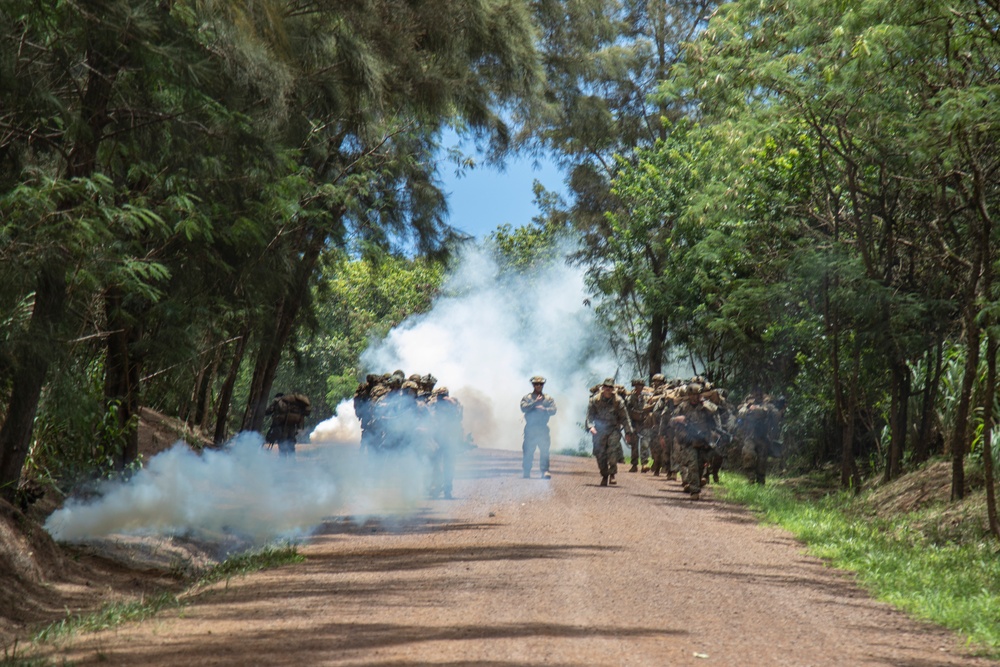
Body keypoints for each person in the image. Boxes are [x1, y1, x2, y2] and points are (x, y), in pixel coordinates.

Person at [670, 383, 721, 500]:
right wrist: (678, 419)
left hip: (704, 439)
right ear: (688, 395)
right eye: (692, 395)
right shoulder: (683, 407)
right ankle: (694, 491)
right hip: (689, 440)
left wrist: (705, 404)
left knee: (701, 464)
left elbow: (715, 414)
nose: (694, 397)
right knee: (693, 464)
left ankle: (696, 483)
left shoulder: (706, 406)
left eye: (697, 395)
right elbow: (671, 422)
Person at [586, 377, 634, 487]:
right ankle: (604, 475)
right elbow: (589, 416)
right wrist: (590, 427)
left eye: (610, 387)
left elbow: (625, 418)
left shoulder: (618, 401)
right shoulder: (595, 400)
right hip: (599, 430)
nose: (608, 389)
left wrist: (628, 432)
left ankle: (612, 473)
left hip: (613, 429)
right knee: (600, 454)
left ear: (613, 389)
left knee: (612, 451)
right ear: (603, 388)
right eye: (606, 387)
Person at [428, 386, 464, 498]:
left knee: (444, 464)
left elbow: (458, 418)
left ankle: (445, 488)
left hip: (446, 438)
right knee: (438, 464)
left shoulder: (452, 403)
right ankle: (440, 487)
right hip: (438, 438)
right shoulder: (434, 404)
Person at [520, 376, 558, 479]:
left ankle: (545, 471)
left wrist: (545, 409)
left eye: (541, 384)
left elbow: (554, 410)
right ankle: (527, 470)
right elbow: (523, 408)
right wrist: (534, 403)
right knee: (528, 450)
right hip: (530, 428)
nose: (538, 386)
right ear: (533, 385)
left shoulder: (548, 399)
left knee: (544, 450)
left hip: (543, 428)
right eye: (536, 384)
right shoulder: (527, 398)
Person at [265, 392, 312, 457]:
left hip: (281, 426)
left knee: (282, 442)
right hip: (292, 426)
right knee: (291, 442)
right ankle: (292, 461)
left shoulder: (277, 401)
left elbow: (268, 411)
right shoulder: (293, 403)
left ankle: (283, 461)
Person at [624, 377, 653, 472]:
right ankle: (634, 464)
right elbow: (627, 413)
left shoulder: (648, 397)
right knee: (634, 445)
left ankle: (644, 463)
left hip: (645, 423)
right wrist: (629, 427)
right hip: (634, 423)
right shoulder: (630, 398)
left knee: (645, 444)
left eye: (641, 385)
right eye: (637, 385)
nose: (639, 387)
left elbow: (650, 409)